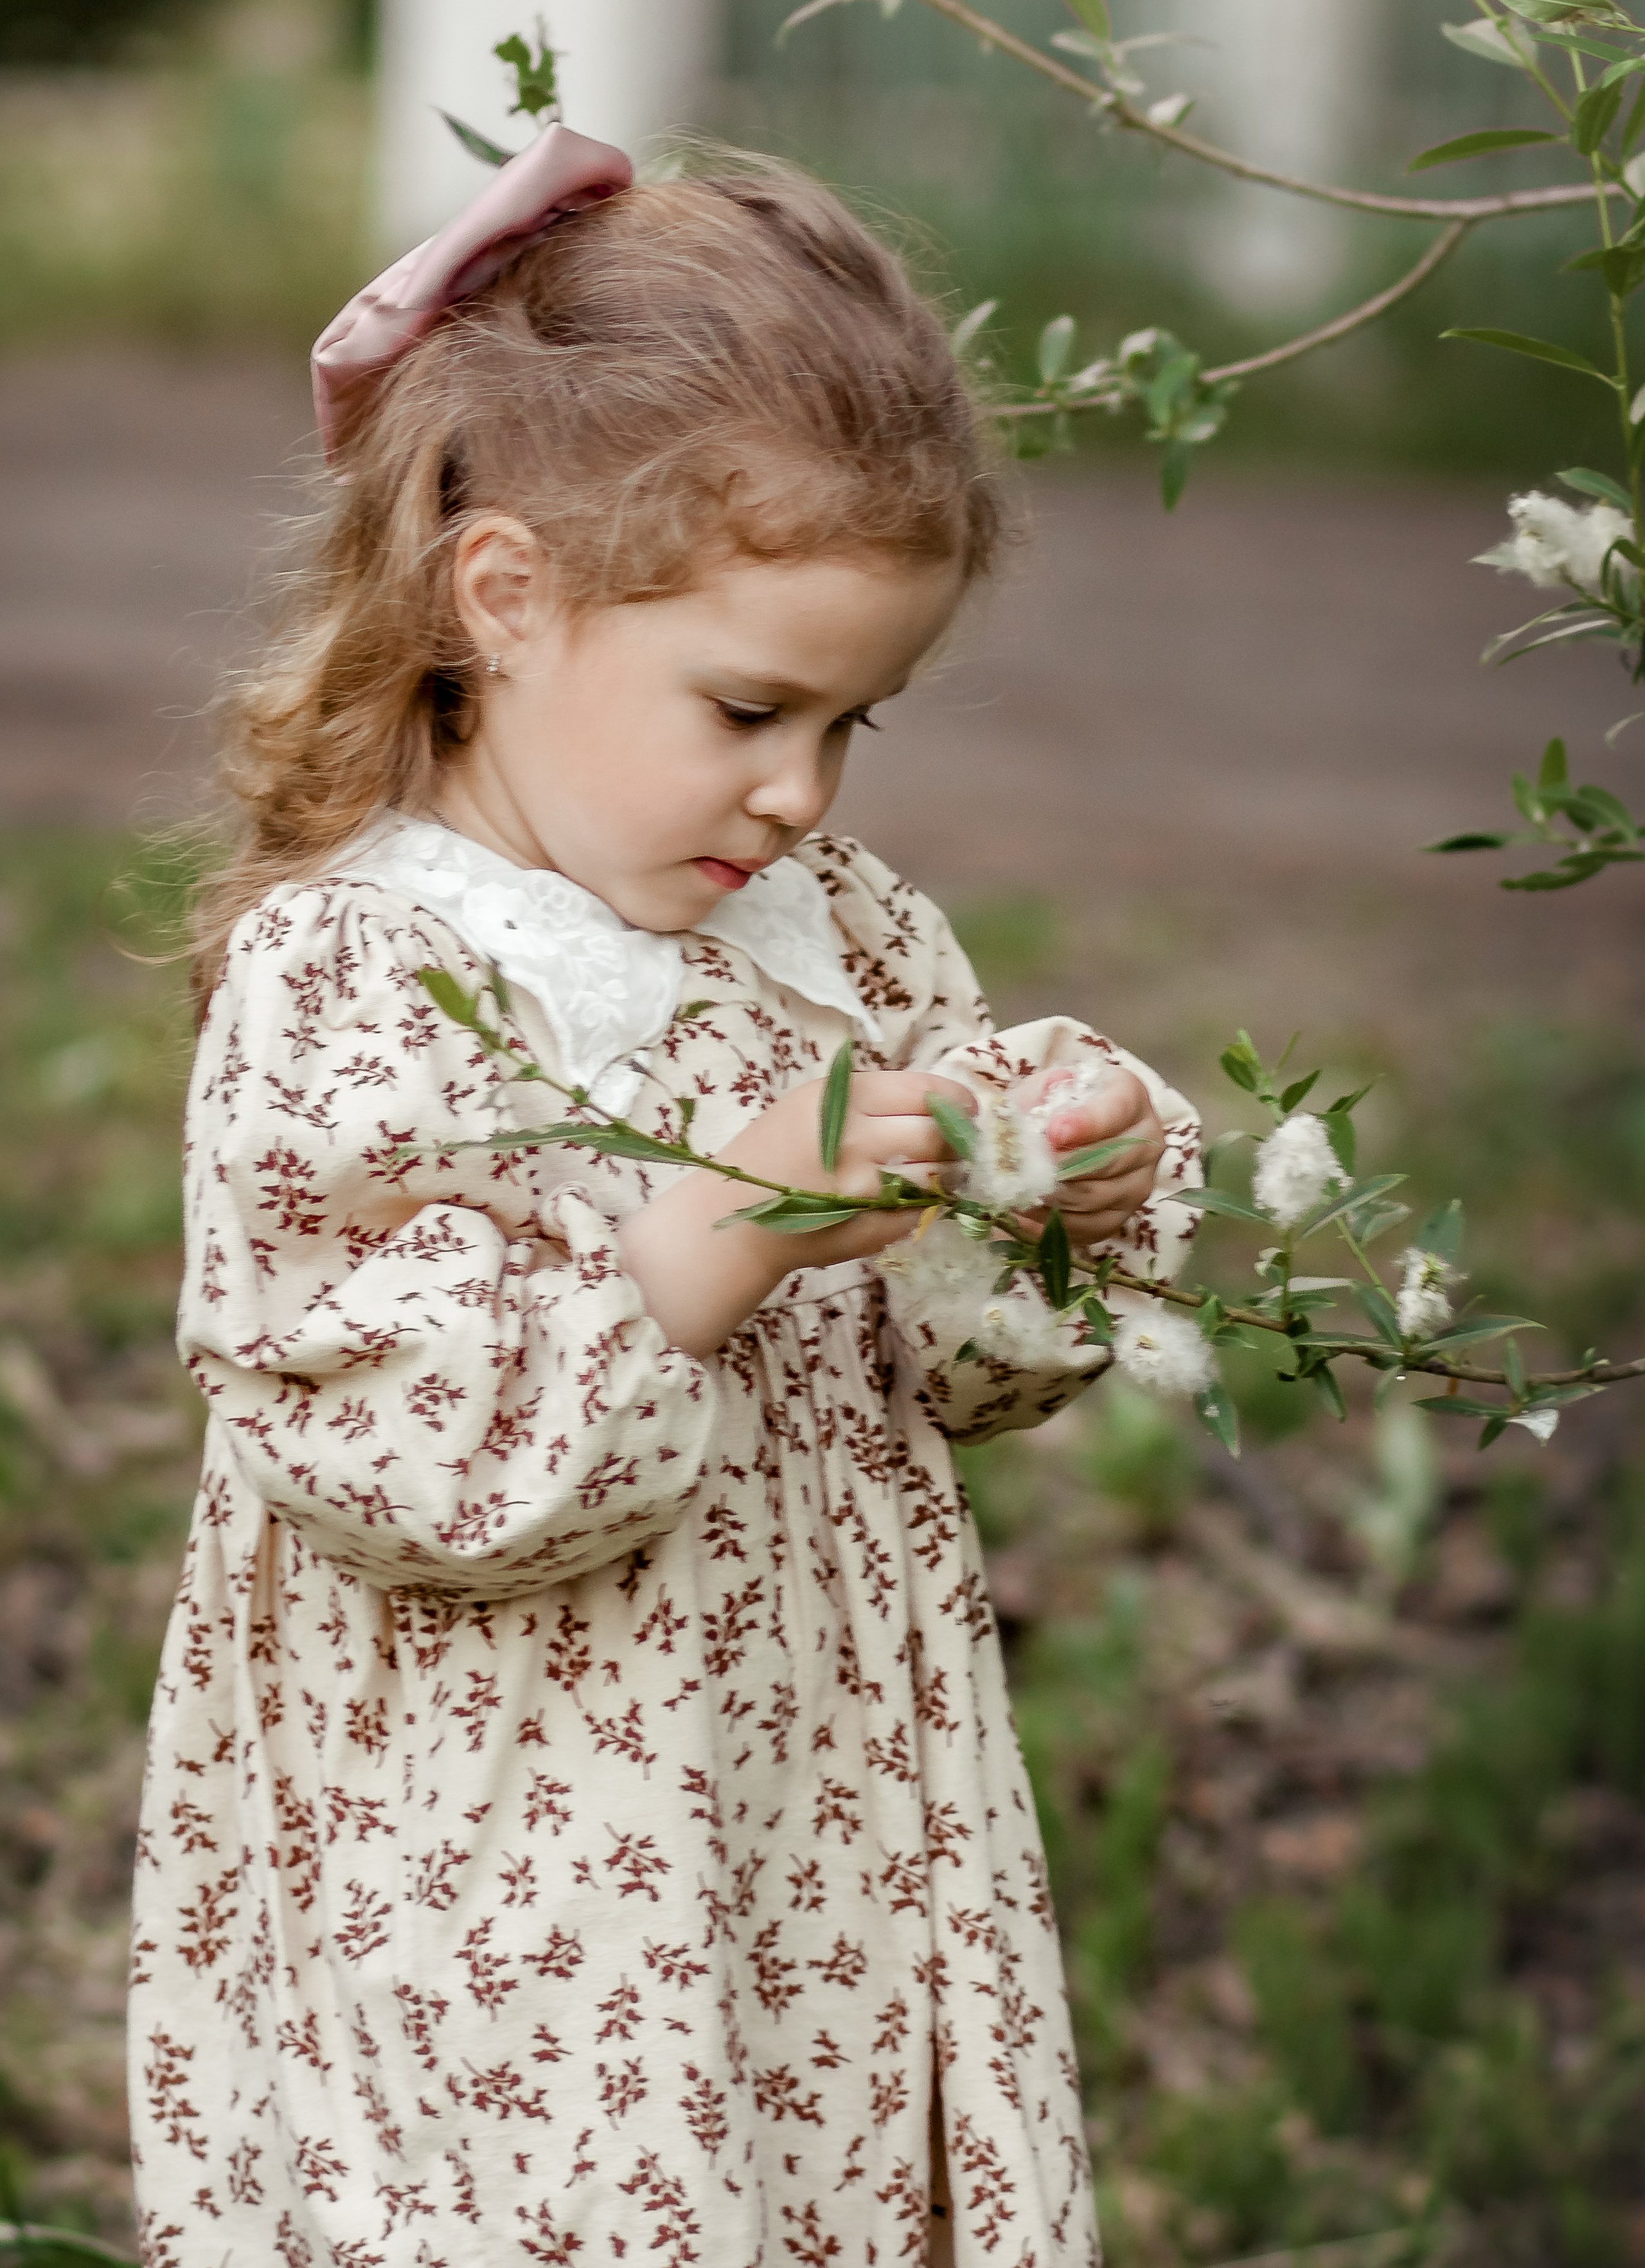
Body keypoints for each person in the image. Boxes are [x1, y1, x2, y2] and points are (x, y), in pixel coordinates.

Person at [129, 123, 1202, 2268]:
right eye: (748, 708)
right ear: (502, 594)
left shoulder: (839, 929)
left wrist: (1043, 1195)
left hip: (823, 1808)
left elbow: (953, 1372)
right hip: (513, 1871)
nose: (800, 790)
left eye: (852, 723)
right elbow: (378, 1439)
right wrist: (713, 1235)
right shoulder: (363, 977)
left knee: (820, 2175)